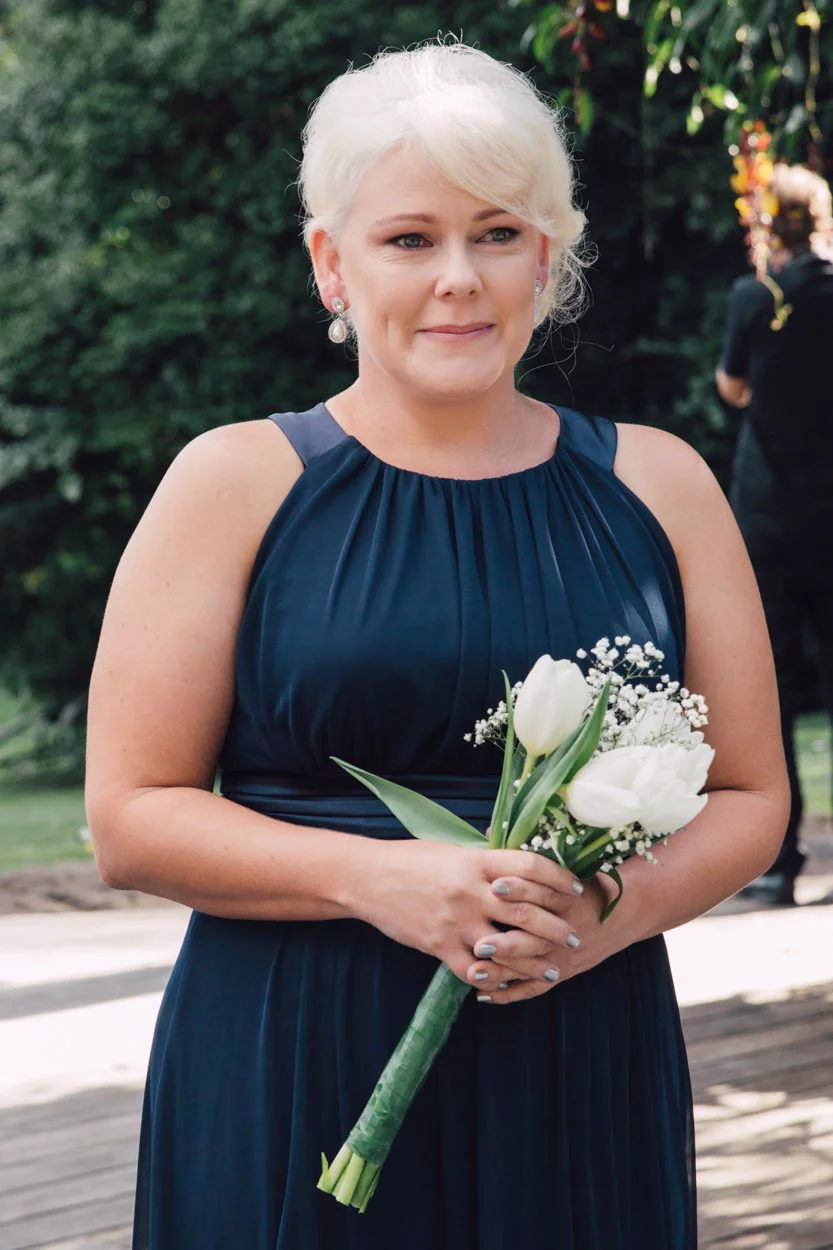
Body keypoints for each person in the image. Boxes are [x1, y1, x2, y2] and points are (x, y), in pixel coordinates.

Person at [86, 41, 788, 1250]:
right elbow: (128, 816)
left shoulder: (661, 484)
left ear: (546, 257)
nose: (458, 278)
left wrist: (596, 916)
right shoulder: (232, 482)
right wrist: (378, 878)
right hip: (295, 1049)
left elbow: (750, 795)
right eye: (409, 239)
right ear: (332, 263)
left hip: (575, 1045)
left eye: (496, 233)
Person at [716, 162, 833, 906]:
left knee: (776, 686)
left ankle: (779, 862)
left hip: (770, 517)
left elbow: (731, 387)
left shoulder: (755, 297)